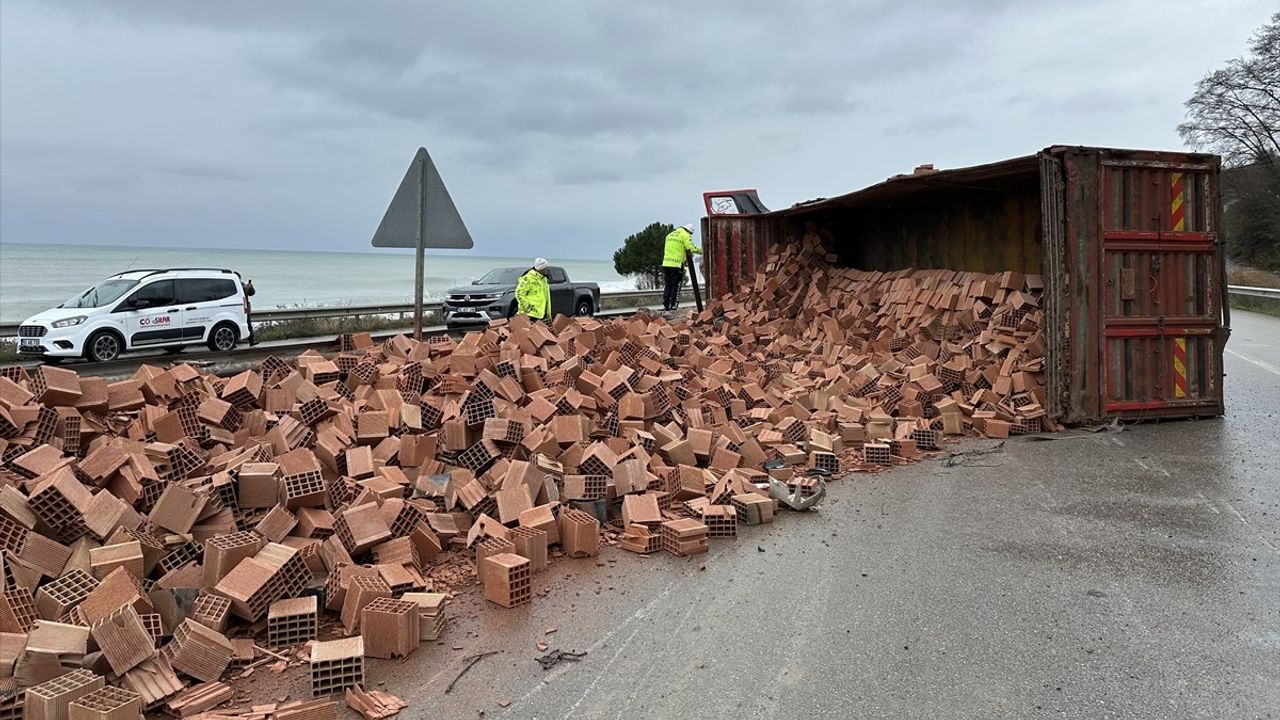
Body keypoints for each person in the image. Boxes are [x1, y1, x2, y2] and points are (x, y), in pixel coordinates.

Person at [662, 223, 701, 311]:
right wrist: (702, 251)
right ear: (689, 232)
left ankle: (666, 303)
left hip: (666, 264)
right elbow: (690, 248)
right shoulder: (685, 235)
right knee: (676, 284)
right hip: (676, 265)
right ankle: (673, 304)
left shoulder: (669, 235)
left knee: (668, 283)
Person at [243, 278, 258, 345]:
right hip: (241, 308)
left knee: (248, 325)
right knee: (248, 325)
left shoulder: (243, 285)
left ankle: (251, 341)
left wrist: (250, 287)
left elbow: (251, 293)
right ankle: (251, 341)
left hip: (245, 308)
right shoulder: (242, 286)